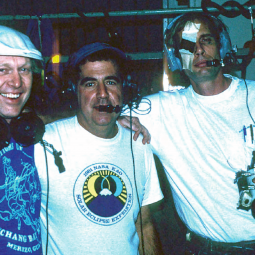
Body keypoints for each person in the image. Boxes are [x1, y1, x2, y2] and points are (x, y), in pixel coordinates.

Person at [119, 12, 255, 254]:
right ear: (175, 58)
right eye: (187, 45)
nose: (199, 51)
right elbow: (98, 117)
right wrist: (122, 121)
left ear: (221, 47)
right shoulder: (162, 109)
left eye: (206, 40)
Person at [34, 42, 164, 255]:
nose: (103, 94)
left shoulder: (139, 145)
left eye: (111, 82)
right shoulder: (44, 143)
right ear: (74, 90)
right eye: (90, 84)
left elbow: (145, 223)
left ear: (124, 88)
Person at [0, 26, 44, 254]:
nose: (16, 82)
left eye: (24, 70)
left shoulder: (30, 131)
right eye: (3, 70)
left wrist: (119, 118)